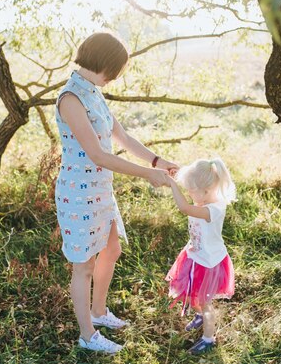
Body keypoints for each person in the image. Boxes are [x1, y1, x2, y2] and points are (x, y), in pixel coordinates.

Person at [55, 32, 178, 354]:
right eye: (117, 69)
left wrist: (157, 161)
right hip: (77, 194)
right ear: (106, 63)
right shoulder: (71, 98)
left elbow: (121, 136)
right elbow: (97, 155)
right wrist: (148, 175)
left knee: (111, 250)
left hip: (100, 188)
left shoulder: (93, 92)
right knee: (83, 265)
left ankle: (99, 311)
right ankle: (87, 335)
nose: (116, 77)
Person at [165, 158, 236, 355]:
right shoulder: (205, 198)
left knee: (205, 302)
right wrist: (178, 175)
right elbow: (194, 190)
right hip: (196, 255)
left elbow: (184, 208)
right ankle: (198, 317)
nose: (188, 194)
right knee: (193, 293)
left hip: (209, 262)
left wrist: (172, 185)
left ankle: (208, 339)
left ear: (205, 190)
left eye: (190, 190)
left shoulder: (212, 209)